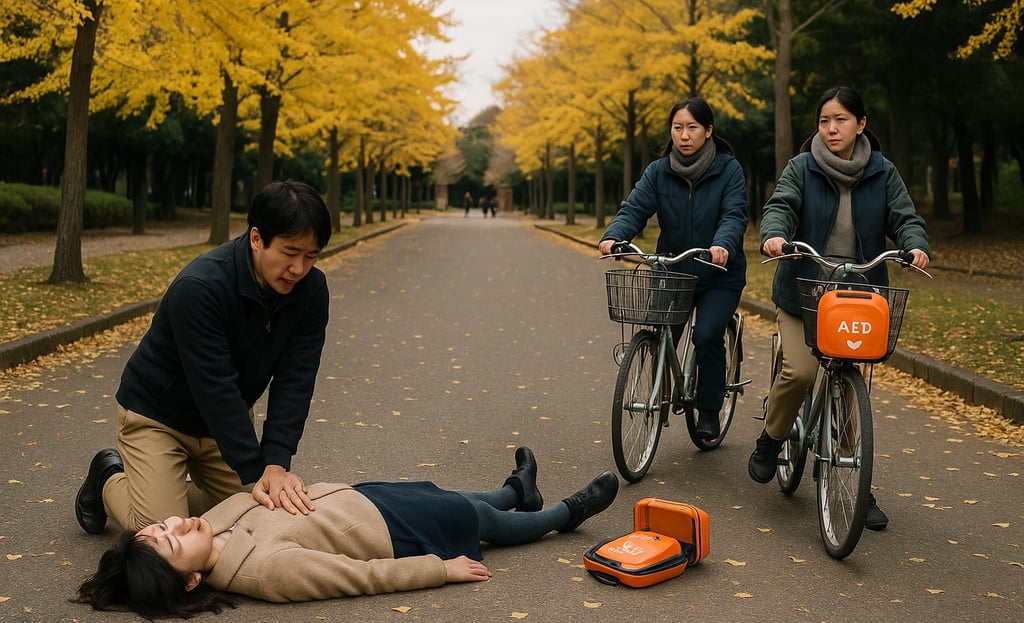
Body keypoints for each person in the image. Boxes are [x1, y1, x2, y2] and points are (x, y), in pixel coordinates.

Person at [74, 447, 619, 617]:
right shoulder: (263, 571)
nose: (176, 522)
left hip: (363, 497)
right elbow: (356, 577)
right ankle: (566, 514)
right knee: (480, 524)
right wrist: (439, 569)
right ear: (190, 582)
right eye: (172, 540)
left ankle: (516, 487)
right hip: (391, 533)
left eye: (162, 525)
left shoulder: (211, 524)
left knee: (452, 497)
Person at [75, 180, 334, 536]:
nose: (299, 269)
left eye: (311, 255)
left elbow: (296, 378)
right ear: (257, 238)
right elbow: (215, 387)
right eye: (290, 253)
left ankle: (166, 491)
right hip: (157, 417)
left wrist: (275, 463)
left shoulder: (311, 291)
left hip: (221, 428)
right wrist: (254, 468)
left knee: (265, 518)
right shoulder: (200, 288)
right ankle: (108, 476)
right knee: (163, 532)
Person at [747, 86, 931, 530]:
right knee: (801, 372)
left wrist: (915, 245)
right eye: (825, 120)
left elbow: (904, 217)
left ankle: (856, 479)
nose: (832, 128)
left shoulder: (883, 172)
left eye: (841, 120)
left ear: (861, 124)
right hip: (803, 290)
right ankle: (771, 439)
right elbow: (781, 206)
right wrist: (775, 234)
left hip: (858, 296)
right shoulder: (801, 167)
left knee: (847, 384)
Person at [598, 96, 749, 441]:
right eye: (678, 127)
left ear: (708, 131)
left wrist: (723, 244)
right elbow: (635, 208)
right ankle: (663, 391)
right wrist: (615, 236)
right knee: (658, 332)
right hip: (673, 270)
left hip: (718, 274)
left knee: (707, 334)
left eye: (692, 127)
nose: (684, 135)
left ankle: (709, 408)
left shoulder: (729, 169)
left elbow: (734, 214)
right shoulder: (658, 171)